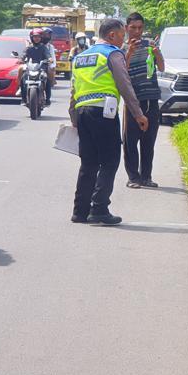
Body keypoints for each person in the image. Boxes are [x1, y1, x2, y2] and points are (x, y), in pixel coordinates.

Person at [69, 18, 149, 225]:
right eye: (122, 35)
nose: (125, 39)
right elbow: (125, 84)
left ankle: (80, 211)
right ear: (112, 35)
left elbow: (73, 90)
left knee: (88, 163)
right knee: (110, 160)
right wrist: (138, 114)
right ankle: (99, 209)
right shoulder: (113, 54)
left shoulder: (80, 57)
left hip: (83, 113)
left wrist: (74, 118)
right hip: (103, 113)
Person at [122, 13, 166, 189]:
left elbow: (161, 67)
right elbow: (121, 72)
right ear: (126, 28)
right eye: (133, 28)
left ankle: (147, 176)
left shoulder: (151, 44)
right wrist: (130, 53)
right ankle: (133, 177)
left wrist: (157, 55)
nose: (137, 32)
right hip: (132, 101)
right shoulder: (122, 47)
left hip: (151, 98)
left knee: (149, 140)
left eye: (140, 28)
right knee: (130, 140)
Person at [20, 28, 54, 106]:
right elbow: (23, 55)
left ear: (41, 38)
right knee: (23, 79)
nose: (36, 38)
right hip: (31, 67)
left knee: (47, 79)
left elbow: (48, 55)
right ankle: (23, 99)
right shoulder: (29, 47)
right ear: (32, 37)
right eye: (35, 37)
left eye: (38, 37)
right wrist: (21, 59)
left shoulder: (43, 47)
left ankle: (48, 99)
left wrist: (49, 59)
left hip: (42, 67)